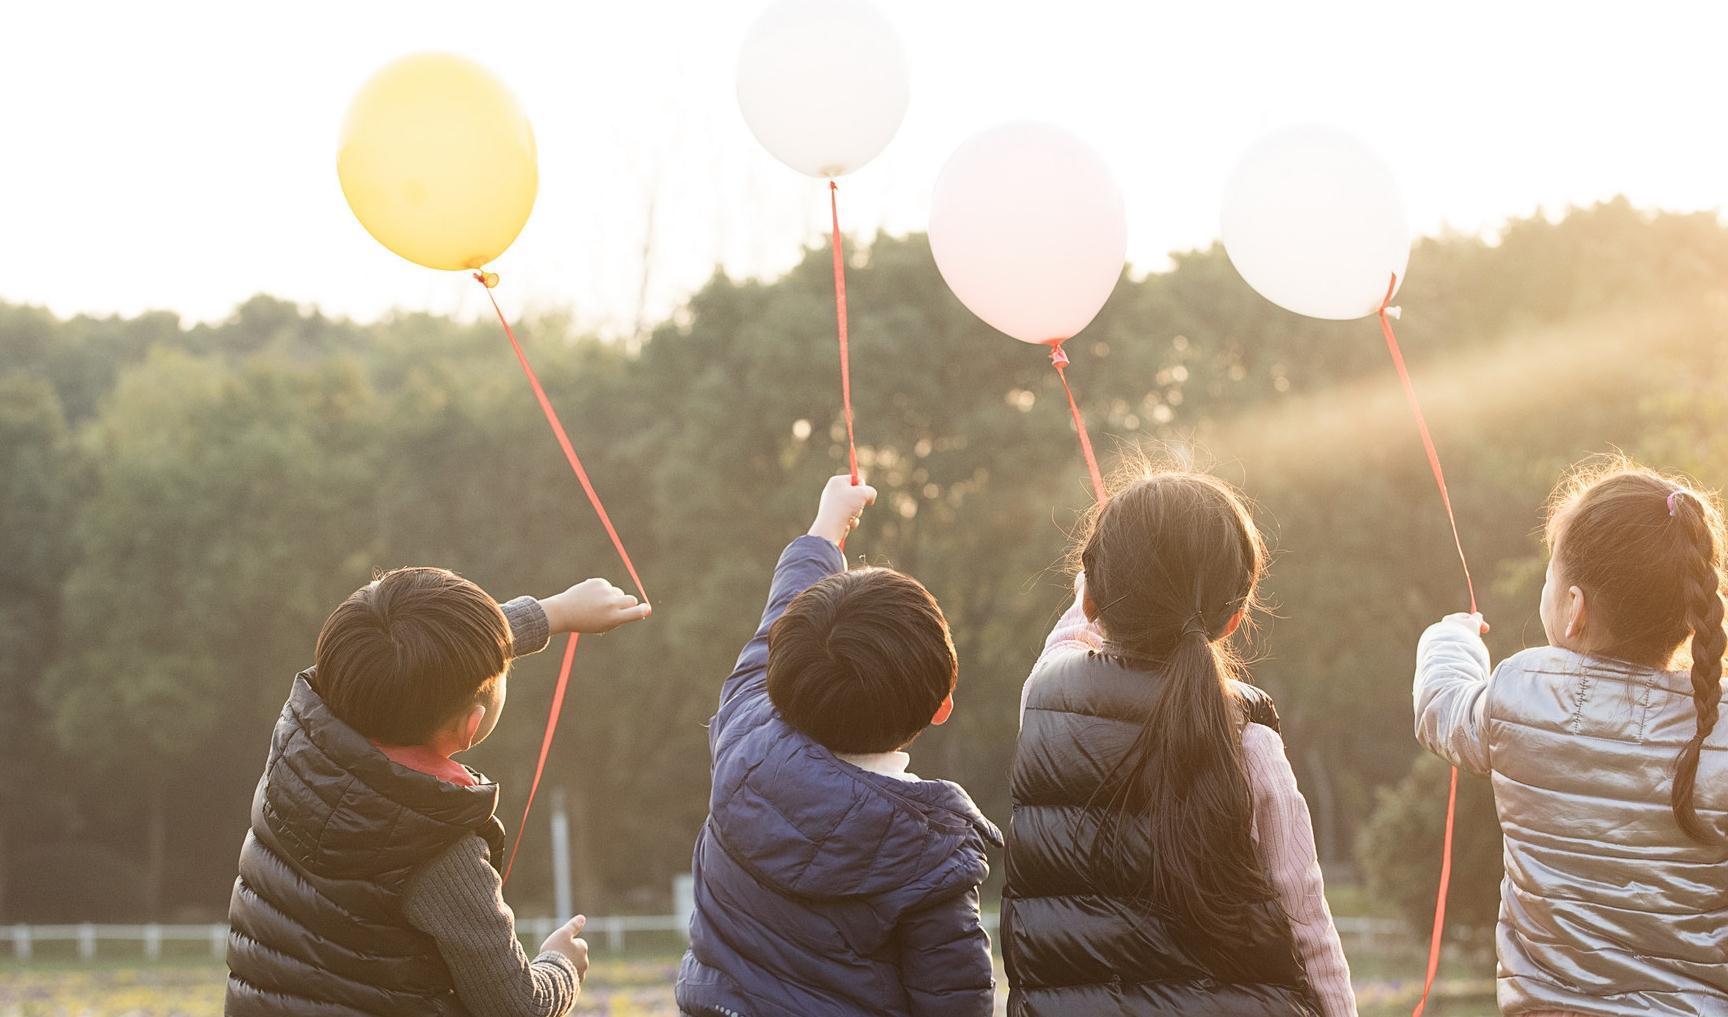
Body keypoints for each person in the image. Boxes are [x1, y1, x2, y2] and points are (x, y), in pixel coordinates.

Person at [1004, 469, 1355, 1017]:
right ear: (1234, 618)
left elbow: (1069, 635)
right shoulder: (1247, 737)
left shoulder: (1042, 699)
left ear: (1092, 599)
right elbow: (1306, 924)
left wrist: (1093, 584)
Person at [225, 566, 649, 1017]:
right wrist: (561, 964)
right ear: (470, 726)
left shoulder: (301, 742)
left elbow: (412, 662)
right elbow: (517, 1007)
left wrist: (554, 613)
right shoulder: (435, 847)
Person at [676, 475, 1002, 1017]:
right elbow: (955, 1003)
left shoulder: (743, 732)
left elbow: (776, 620)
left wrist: (826, 528)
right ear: (943, 706)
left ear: (779, 673)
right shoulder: (930, 855)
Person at [1413, 458, 1728, 1015]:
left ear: (1574, 608)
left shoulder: (1523, 693)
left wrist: (1451, 639)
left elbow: (1443, 710)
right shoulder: (1717, 726)